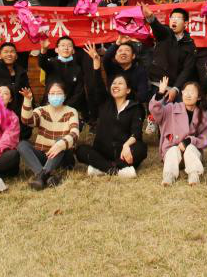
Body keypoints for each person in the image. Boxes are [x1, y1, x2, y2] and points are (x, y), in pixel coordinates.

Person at [76, 46, 147, 177]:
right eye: (114, 83)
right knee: (81, 150)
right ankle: (115, 169)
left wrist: (126, 145)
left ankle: (101, 168)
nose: (115, 86)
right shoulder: (104, 102)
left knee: (141, 149)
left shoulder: (135, 107)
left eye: (120, 83)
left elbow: (136, 133)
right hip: (103, 151)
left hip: (123, 152)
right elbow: (98, 85)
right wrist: (96, 64)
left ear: (128, 90)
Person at [149, 78, 207, 185]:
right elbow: (156, 111)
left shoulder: (203, 115)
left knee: (190, 149)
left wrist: (190, 141)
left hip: (191, 154)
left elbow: (205, 139)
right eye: (186, 91)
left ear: (199, 97)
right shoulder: (171, 108)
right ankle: (169, 175)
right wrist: (160, 93)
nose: (188, 95)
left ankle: (194, 174)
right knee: (173, 150)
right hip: (172, 152)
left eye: (192, 92)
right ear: (182, 94)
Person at [18, 82, 80, 190]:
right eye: (52, 93)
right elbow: (27, 121)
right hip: (44, 155)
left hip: (62, 156)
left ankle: (41, 177)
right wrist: (27, 100)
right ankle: (46, 176)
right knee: (22, 145)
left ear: (65, 96)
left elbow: (75, 133)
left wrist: (60, 145)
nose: (55, 96)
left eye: (58, 93)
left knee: (60, 140)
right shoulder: (41, 111)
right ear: (48, 95)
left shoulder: (71, 111)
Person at [144, 5, 198, 92]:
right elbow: (158, 28)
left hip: (172, 88)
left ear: (185, 23)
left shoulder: (190, 45)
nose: (174, 20)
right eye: (172, 18)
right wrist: (151, 19)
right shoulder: (165, 33)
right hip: (154, 83)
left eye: (178, 18)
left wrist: (176, 88)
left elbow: (187, 70)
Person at [37, 36, 91, 122]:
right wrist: (43, 50)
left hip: (69, 109)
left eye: (69, 46)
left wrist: (65, 108)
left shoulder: (78, 68)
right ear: (56, 49)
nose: (66, 48)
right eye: (63, 45)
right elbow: (41, 63)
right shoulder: (51, 63)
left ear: (73, 51)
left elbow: (78, 92)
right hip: (50, 106)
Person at [102, 39, 151, 104]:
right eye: (120, 51)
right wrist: (117, 44)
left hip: (132, 105)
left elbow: (143, 96)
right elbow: (106, 58)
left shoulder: (140, 71)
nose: (123, 53)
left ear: (133, 56)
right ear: (115, 56)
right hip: (112, 105)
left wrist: (124, 92)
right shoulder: (111, 68)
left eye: (127, 50)